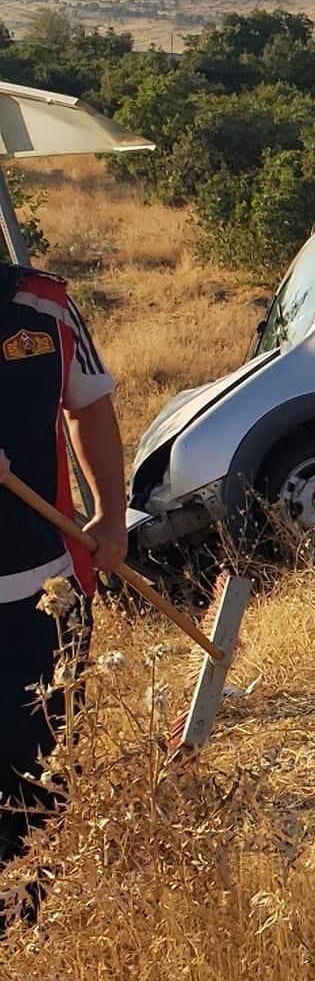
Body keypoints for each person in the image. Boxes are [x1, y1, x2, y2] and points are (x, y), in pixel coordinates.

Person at [0, 259, 125, 866]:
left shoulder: (44, 306)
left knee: (41, 788)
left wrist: (111, 513)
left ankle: (32, 927)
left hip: (43, 598)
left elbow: (90, 405)